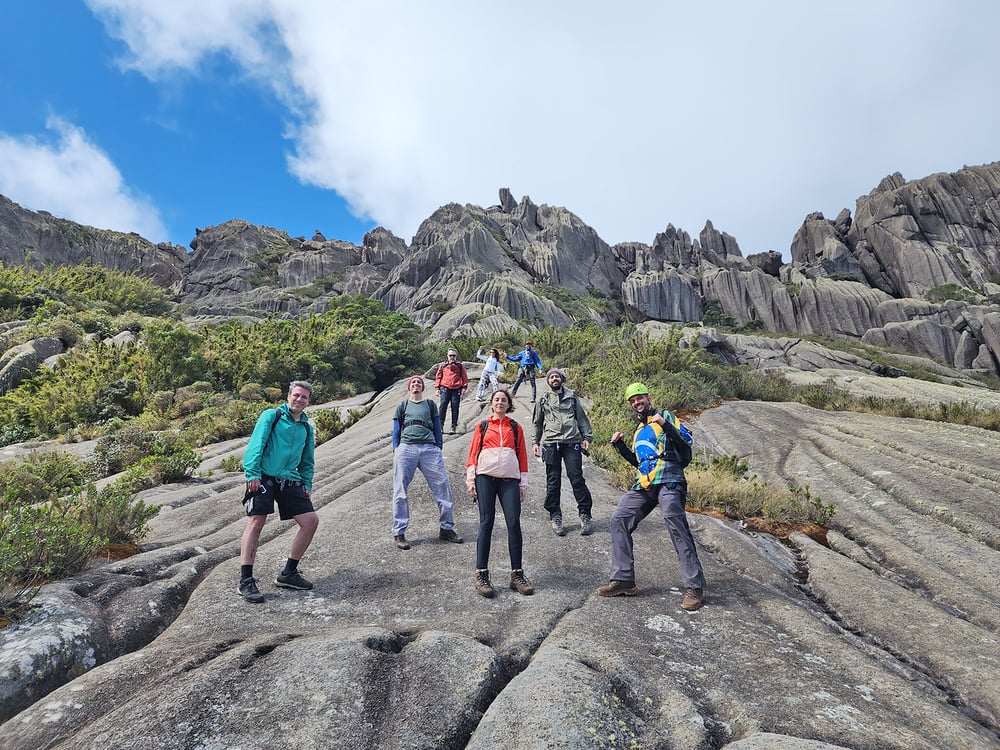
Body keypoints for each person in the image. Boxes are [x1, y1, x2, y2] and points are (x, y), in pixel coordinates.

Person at [597, 382, 705, 611]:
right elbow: (640, 463)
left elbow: (686, 440)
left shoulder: (665, 416)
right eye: (633, 400)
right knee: (619, 519)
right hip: (645, 483)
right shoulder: (639, 430)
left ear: (649, 398)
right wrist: (620, 447)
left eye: (640, 398)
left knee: (674, 521)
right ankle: (624, 579)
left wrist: (665, 424)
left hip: (669, 479)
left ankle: (695, 586)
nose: (637, 402)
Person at [238, 380, 319, 603]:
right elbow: (257, 444)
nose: (299, 399)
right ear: (288, 396)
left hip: (290, 480)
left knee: (310, 521)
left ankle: (288, 573)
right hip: (264, 476)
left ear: (308, 401)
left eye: (304, 397)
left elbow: (307, 460)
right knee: (256, 522)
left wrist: (307, 484)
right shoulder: (271, 416)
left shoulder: (306, 427)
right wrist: (252, 473)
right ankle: (246, 580)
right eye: (296, 395)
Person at [465, 388, 533, 598]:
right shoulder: (483, 426)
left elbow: (522, 454)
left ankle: (517, 574)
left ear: (508, 404)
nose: (500, 402)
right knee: (487, 521)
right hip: (485, 476)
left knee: (514, 522)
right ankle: (482, 574)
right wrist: (470, 479)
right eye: (497, 399)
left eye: (504, 399)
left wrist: (523, 482)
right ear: (492, 404)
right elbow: (473, 453)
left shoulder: (515, 426)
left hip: (509, 479)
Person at [391, 375, 464, 550]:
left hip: (429, 448)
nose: (416, 384)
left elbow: (438, 427)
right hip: (406, 447)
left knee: (442, 486)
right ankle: (399, 532)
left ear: (423, 388)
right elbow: (396, 429)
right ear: (409, 387)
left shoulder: (430, 404)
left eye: (419, 383)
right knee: (400, 489)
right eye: (413, 383)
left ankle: (446, 528)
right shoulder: (403, 405)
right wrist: (396, 448)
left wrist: (438, 446)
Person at [531, 368, 595, 537]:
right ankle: (555, 515)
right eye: (551, 377)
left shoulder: (572, 397)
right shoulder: (543, 399)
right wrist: (535, 443)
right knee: (553, 480)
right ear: (548, 381)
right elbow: (537, 423)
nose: (554, 379)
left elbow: (582, 419)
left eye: (556, 376)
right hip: (551, 444)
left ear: (561, 379)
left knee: (576, 478)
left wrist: (587, 438)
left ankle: (585, 515)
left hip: (572, 442)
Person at [434, 348, 469, 435]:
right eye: (450, 355)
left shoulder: (460, 366)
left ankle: (453, 426)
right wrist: (437, 388)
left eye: (453, 355)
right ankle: (440, 426)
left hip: (456, 388)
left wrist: (464, 387)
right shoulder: (443, 365)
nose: (452, 357)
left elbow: (464, 377)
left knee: (455, 407)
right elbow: (438, 377)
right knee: (443, 407)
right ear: (447, 356)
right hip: (445, 388)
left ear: (456, 356)